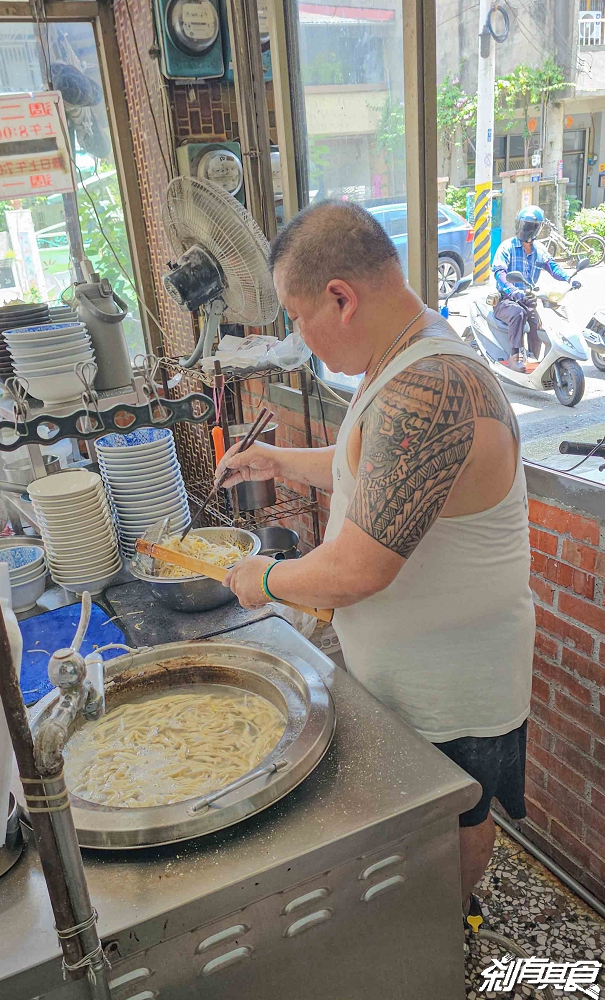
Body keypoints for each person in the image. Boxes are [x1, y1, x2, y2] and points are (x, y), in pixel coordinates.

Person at [217, 200, 535, 917]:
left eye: (296, 318)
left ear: (340, 297)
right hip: (415, 668)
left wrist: (259, 577)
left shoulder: (431, 387)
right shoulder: (400, 360)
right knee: (424, 815)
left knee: (457, 813)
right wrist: (276, 459)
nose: (299, 338)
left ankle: (445, 928)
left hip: (455, 682)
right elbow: (371, 468)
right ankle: (427, 919)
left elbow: (358, 570)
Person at [492, 206, 580, 372]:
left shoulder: (540, 250)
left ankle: (533, 356)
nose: (526, 229)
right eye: (524, 225)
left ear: (536, 229)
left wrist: (569, 278)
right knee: (518, 313)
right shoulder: (507, 247)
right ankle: (515, 356)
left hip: (528, 299)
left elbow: (552, 267)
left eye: (530, 226)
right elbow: (500, 273)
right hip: (505, 300)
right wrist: (512, 290)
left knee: (537, 321)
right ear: (518, 225)